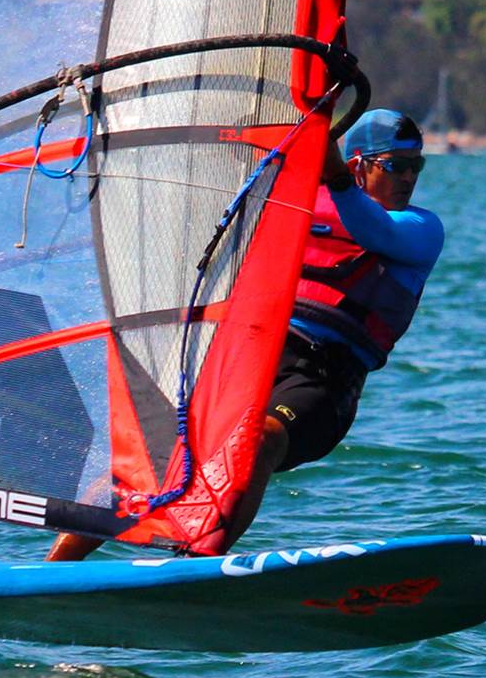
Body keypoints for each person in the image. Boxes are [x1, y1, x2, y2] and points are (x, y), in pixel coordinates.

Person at [47, 108, 443, 560]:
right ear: (358, 163)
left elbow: (371, 229)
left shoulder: (420, 229)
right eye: (397, 164)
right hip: (247, 357)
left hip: (322, 380)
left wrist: (334, 180)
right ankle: (48, 572)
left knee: (257, 440)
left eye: (417, 165)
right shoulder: (292, 199)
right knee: (152, 454)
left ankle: (199, 569)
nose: (410, 176)